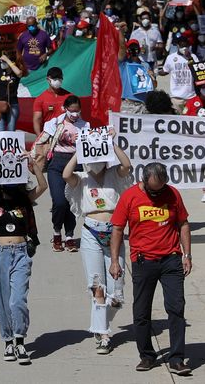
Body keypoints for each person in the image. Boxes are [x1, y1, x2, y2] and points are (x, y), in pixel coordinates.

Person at [110, 162, 193, 375]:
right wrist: (114, 261)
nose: (157, 194)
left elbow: (183, 223)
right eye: (153, 190)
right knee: (141, 312)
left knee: (176, 308)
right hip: (143, 261)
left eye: (161, 189)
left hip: (171, 260)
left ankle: (176, 359)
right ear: (144, 181)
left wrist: (187, 254)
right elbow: (118, 229)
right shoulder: (129, 197)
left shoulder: (172, 194)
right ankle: (147, 356)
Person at [0, 146, 47, 365]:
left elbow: (43, 186)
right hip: (0, 253)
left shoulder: (23, 199)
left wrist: (32, 164)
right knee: (3, 301)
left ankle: (20, 340)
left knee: (18, 301)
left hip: (21, 252)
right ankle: (8, 342)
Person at [63, 142, 134, 354]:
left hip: (114, 232)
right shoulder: (82, 178)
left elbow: (127, 165)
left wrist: (112, 144)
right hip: (91, 231)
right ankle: (103, 333)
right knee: (97, 286)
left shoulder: (115, 173)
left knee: (116, 293)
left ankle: (99, 319)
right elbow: (66, 175)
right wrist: (79, 149)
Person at [32, 95, 88, 252]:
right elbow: (42, 139)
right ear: (65, 109)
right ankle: (57, 232)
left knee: (71, 202)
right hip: (56, 163)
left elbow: (91, 145)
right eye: (72, 111)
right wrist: (31, 154)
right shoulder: (55, 123)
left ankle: (69, 235)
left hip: (75, 165)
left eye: (78, 111)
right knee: (59, 201)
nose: (75, 114)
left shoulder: (85, 125)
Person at [160, 36, 198, 114]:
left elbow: (197, 71)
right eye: (182, 46)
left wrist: (189, 57)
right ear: (177, 45)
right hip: (176, 97)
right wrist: (158, 72)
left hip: (190, 96)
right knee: (177, 120)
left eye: (186, 46)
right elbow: (165, 71)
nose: (184, 48)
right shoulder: (171, 57)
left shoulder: (193, 57)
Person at [31, 66, 70, 135]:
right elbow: (37, 120)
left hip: (67, 134)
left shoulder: (70, 97)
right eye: (55, 78)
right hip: (49, 134)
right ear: (48, 79)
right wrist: (39, 136)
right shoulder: (40, 99)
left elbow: (77, 116)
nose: (58, 80)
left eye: (60, 78)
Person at [0, 53, 24, 131]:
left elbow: (19, 73)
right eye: (1, 62)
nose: (2, 64)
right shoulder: (0, 69)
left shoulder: (15, 72)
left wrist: (7, 60)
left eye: (4, 62)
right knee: (0, 131)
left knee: (11, 130)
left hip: (12, 105)